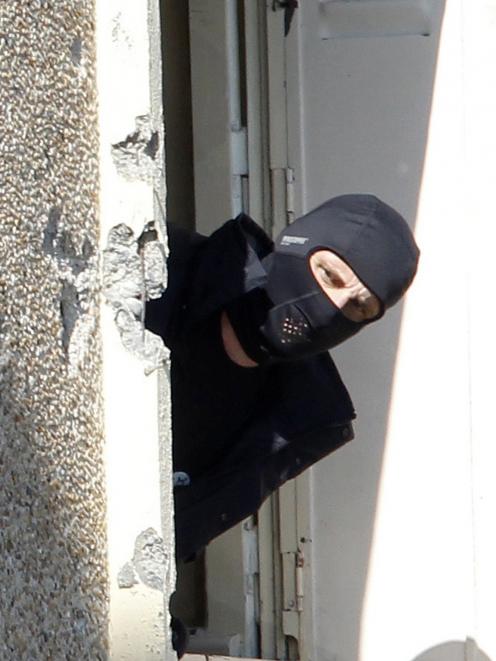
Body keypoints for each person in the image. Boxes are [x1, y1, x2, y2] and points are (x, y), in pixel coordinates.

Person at [145, 194, 419, 563]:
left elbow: (173, 541)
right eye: (329, 276)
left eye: (359, 307)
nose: (334, 306)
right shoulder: (160, 265)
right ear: (296, 243)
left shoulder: (295, 422)